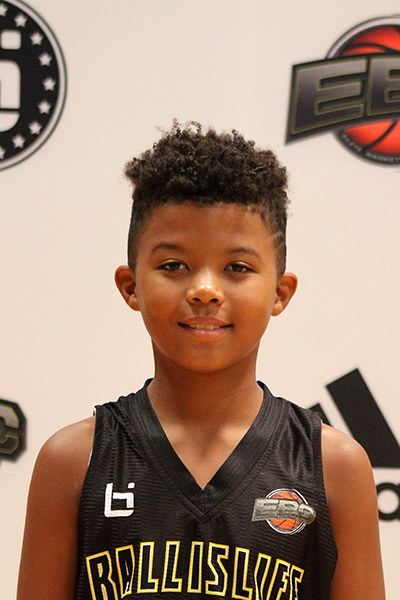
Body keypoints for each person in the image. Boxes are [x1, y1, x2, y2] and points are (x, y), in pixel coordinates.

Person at [17, 122, 385, 600]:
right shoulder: (73, 462)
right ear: (131, 285)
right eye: (174, 265)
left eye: (237, 268)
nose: (205, 290)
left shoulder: (333, 468)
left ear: (279, 292)